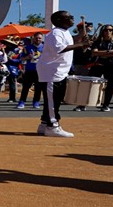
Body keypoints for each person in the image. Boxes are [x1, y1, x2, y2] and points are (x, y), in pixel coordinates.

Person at [36, 10, 90, 138]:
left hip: (58, 71)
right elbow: (59, 48)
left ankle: (44, 124)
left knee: (54, 99)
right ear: (59, 20)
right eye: (69, 17)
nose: (72, 18)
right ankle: (53, 126)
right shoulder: (55, 33)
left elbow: (70, 42)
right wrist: (81, 44)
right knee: (53, 100)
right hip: (52, 72)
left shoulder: (64, 32)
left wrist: (81, 38)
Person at [87, 23, 113, 111]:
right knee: (92, 84)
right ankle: (84, 104)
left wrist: (101, 52)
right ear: (102, 31)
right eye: (106, 30)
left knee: (109, 85)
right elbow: (94, 52)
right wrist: (108, 51)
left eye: (110, 30)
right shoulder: (97, 42)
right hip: (98, 64)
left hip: (111, 65)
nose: (108, 32)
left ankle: (106, 105)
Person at [15, 32, 44, 109]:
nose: (38, 39)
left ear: (42, 39)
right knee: (26, 87)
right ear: (33, 38)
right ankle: (22, 102)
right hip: (29, 70)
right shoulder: (27, 47)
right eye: (36, 38)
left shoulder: (45, 47)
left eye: (40, 38)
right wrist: (27, 57)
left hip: (40, 70)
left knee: (38, 87)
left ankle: (36, 102)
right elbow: (21, 58)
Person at [2, 39, 21, 103]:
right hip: (4, 67)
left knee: (11, 83)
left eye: (8, 43)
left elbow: (20, 60)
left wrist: (11, 60)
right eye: (6, 43)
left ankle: (12, 97)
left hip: (12, 68)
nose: (6, 44)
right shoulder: (4, 50)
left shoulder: (17, 50)